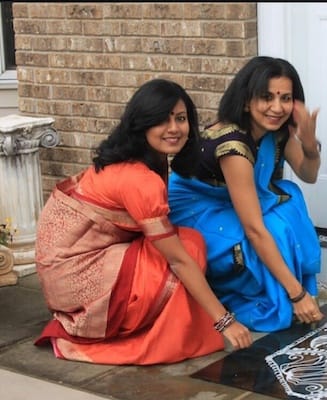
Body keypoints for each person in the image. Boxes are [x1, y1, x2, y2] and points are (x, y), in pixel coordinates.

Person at [34, 78, 253, 365]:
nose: (174, 128)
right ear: (141, 124)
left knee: (184, 240)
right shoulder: (140, 178)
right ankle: (162, 338)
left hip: (67, 278)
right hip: (79, 284)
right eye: (161, 120)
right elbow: (179, 261)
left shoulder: (141, 159)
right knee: (190, 247)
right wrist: (225, 321)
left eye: (181, 118)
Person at [168, 56, 324, 333]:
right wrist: (297, 294)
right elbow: (253, 229)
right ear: (245, 101)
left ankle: (279, 287)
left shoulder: (276, 131)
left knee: (288, 201)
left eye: (285, 98)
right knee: (267, 230)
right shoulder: (233, 145)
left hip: (230, 199)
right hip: (197, 209)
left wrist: (310, 145)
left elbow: (308, 174)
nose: (277, 108)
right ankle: (249, 292)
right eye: (267, 97)